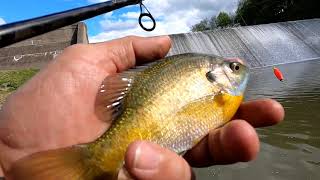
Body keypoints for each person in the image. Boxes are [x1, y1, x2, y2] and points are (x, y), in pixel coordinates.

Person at [0, 36, 284, 180]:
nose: (239, 70)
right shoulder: (220, 93)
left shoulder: (221, 93)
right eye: (233, 68)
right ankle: (94, 163)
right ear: (216, 74)